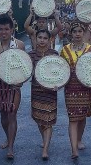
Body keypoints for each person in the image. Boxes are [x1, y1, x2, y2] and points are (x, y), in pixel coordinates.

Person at [0, 16, 25, 160]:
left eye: (6, 29)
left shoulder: (19, 44)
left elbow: (25, 66)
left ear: (12, 30)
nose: (3, 32)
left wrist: (20, 81)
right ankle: (7, 138)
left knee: (12, 115)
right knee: (3, 115)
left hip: (14, 84)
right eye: (0, 29)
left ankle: (11, 146)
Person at [60, 21, 91, 159]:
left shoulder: (90, 50)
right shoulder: (65, 50)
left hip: (86, 88)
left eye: (80, 31)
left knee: (82, 117)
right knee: (73, 118)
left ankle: (79, 139)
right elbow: (61, 69)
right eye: (74, 32)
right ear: (71, 34)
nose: (77, 34)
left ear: (84, 32)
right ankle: (74, 149)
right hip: (70, 88)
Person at [28, 29, 58, 161]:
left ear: (50, 40)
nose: (42, 40)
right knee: (40, 120)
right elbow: (25, 72)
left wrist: (58, 84)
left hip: (50, 92)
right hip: (36, 92)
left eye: (45, 38)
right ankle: (44, 140)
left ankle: (45, 149)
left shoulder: (54, 54)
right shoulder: (31, 55)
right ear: (36, 38)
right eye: (39, 37)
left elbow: (60, 71)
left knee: (48, 121)